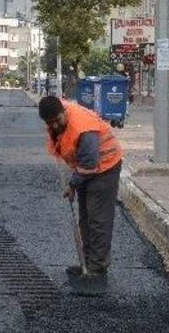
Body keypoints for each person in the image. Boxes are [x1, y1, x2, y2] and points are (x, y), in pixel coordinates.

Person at [38, 96, 124, 277]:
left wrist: (73, 185)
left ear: (63, 111)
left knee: (98, 219)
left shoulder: (82, 127)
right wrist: (74, 183)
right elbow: (78, 160)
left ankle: (98, 266)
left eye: (56, 121)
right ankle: (87, 261)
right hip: (86, 168)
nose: (53, 126)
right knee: (85, 218)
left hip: (105, 166)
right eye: (49, 123)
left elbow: (89, 164)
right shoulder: (59, 115)